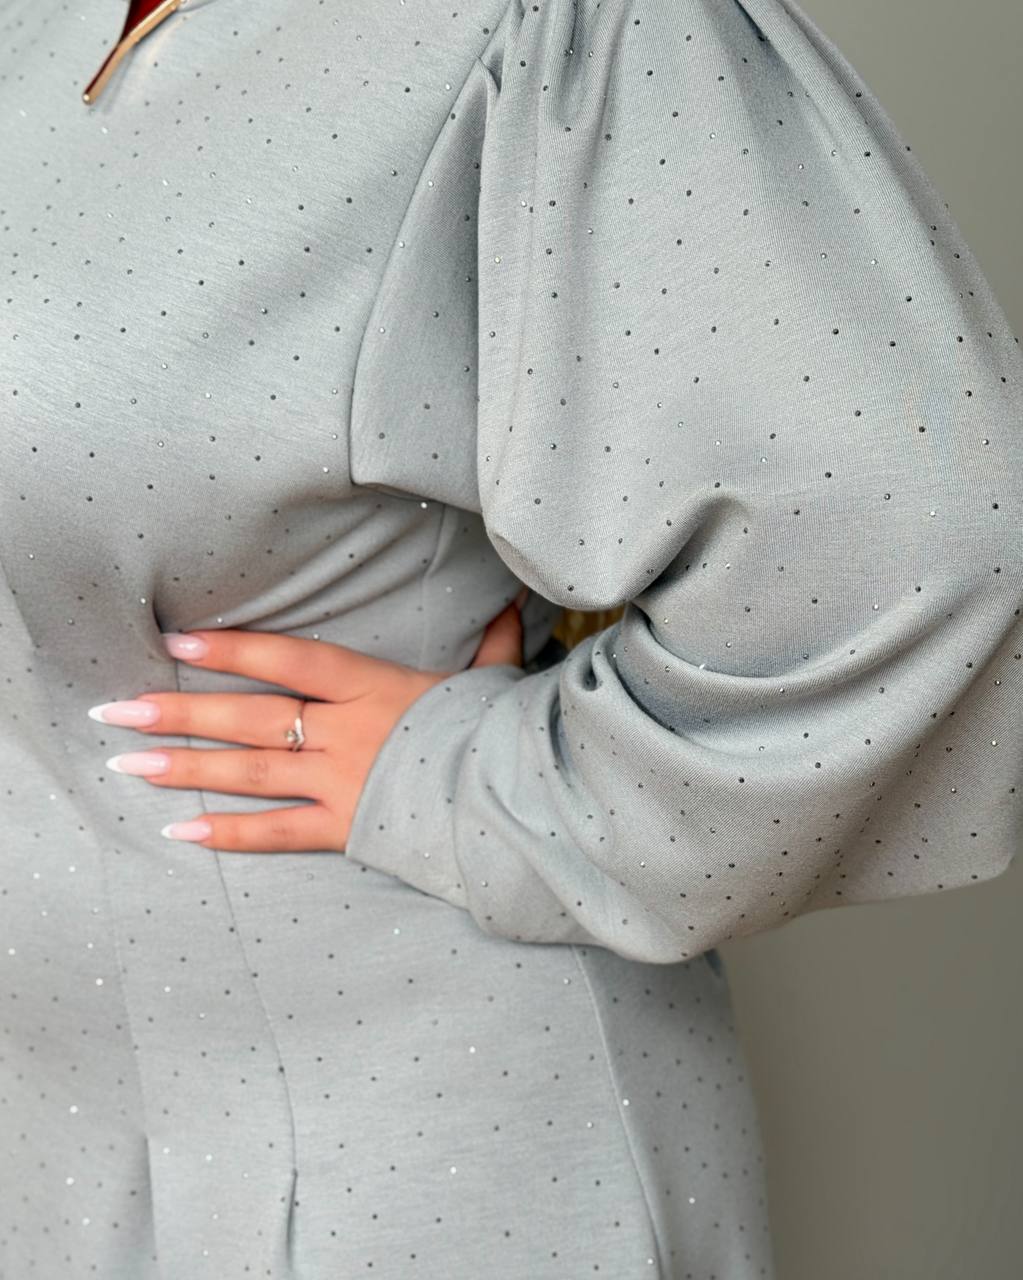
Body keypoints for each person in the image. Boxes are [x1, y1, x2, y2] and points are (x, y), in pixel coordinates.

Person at [2, 0, 1020, 1276]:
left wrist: (473, 781)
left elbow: (909, 541)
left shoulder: (572, 28)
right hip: (51, 1123)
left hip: (405, 1138)